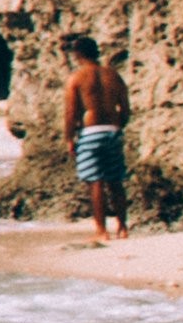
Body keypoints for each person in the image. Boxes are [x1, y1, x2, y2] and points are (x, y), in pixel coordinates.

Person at [56, 33, 134, 242]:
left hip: (90, 133)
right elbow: (125, 109)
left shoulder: (76, 78)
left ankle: (102, 230)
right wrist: (118, 127)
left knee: (96, 182)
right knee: (116, 181)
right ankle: (123, 227)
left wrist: (69, 138)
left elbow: (71, 113)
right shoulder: (113, 76)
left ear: (78, 54)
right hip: (113, 131)